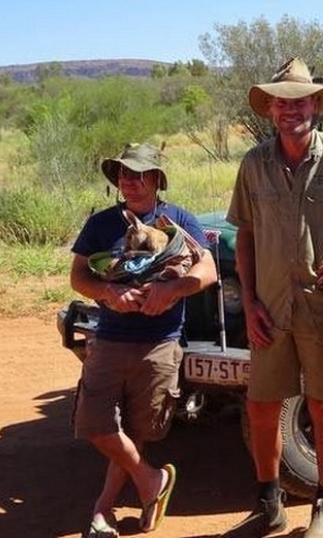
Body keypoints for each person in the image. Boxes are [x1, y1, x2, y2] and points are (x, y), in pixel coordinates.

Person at [226, 57, 323, 538]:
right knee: (261, 404)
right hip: (270, 309)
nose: (289, 109)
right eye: (280, 101)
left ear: (315, 105)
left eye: (298, 101)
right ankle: (268, 502)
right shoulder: (254, 164)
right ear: (270, 109)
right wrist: (250, 301)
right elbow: (246, 235)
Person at [70, 142, 218, 537]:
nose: (129, 182)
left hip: (160, 340)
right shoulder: (101, 224)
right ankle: (151, 480)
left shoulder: (178, 221)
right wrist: (108, 293)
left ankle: (104, 509)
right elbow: (79, 276)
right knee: (93, 423)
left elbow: (208, 270)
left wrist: (174, 290)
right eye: (123, 175)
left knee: (138, 429)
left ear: (155, 179)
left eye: (137, 175)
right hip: (110, 337)